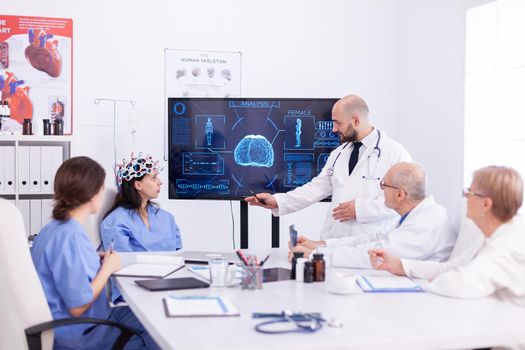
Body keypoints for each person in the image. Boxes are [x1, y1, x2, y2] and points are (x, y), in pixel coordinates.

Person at [30, 156, 159, 349]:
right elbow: (77, 306)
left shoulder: (53, 229)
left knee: (149, 315)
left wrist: (93, 259)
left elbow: (67, 269)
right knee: (153, 332)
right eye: (101, 188)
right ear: (92, 194)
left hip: (81, 321)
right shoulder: (71, 236)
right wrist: (107, 268)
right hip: (81, 331)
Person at [245, 94, 412, 240]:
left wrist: (360, 209)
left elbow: (405, 201)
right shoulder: (339, 153)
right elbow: (316, 188)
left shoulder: (395, 153)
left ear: (355, 120)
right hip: (334, 243)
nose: (333, 129)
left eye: (337, 123)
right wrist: (277, 201)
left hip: (371, 245)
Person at [370, 166, 525, 305]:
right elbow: (452, 267)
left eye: (469, 193)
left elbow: (460, 283)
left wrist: (428, 283)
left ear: (486, 204)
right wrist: (398, 265)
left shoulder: (507, 248)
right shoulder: (489, 235)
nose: (465, 198)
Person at [289, 162, 457, 267]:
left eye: (384, 185)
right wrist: (319, 245)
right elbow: (370, 239)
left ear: (399, 194)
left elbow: (374, 255)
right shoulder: (415, 216)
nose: (381, 190)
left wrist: (315, 255)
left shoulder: (426, 223)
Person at [101, 153, 182, 302]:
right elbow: (121, 267)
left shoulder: (166, 218)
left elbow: (177, 256)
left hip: (169, 289)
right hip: (132, 297)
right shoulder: (116, 221)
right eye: (154, 177)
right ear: (138, 185)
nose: (160, 182)